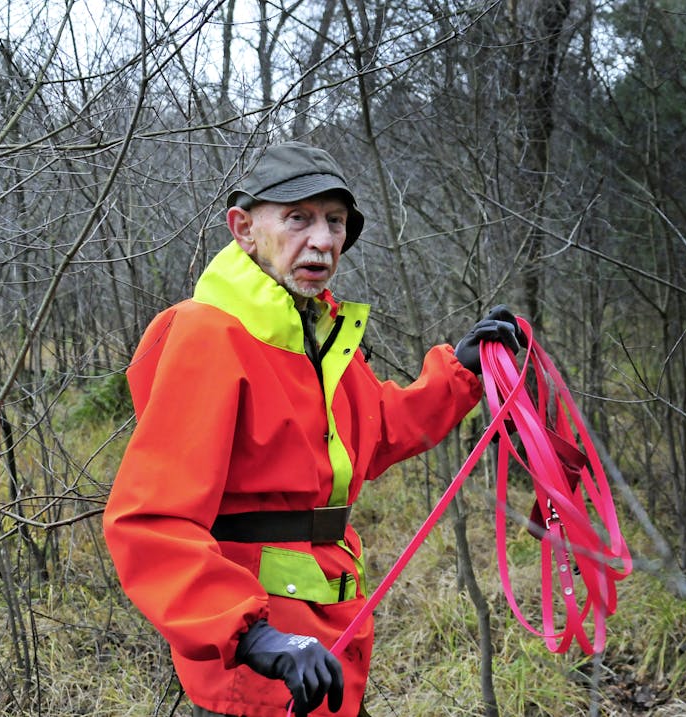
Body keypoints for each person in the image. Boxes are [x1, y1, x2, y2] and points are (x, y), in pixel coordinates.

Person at [102, 140, 523, 717]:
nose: (323, 240)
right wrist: (251, 635)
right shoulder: (208, 335)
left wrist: (463, 372)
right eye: (298, 218)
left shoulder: (320, 334)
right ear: (244, 228)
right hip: (256, 664)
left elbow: (375, 433)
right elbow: (151, 520)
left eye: (335, 222)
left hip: (332, 642)